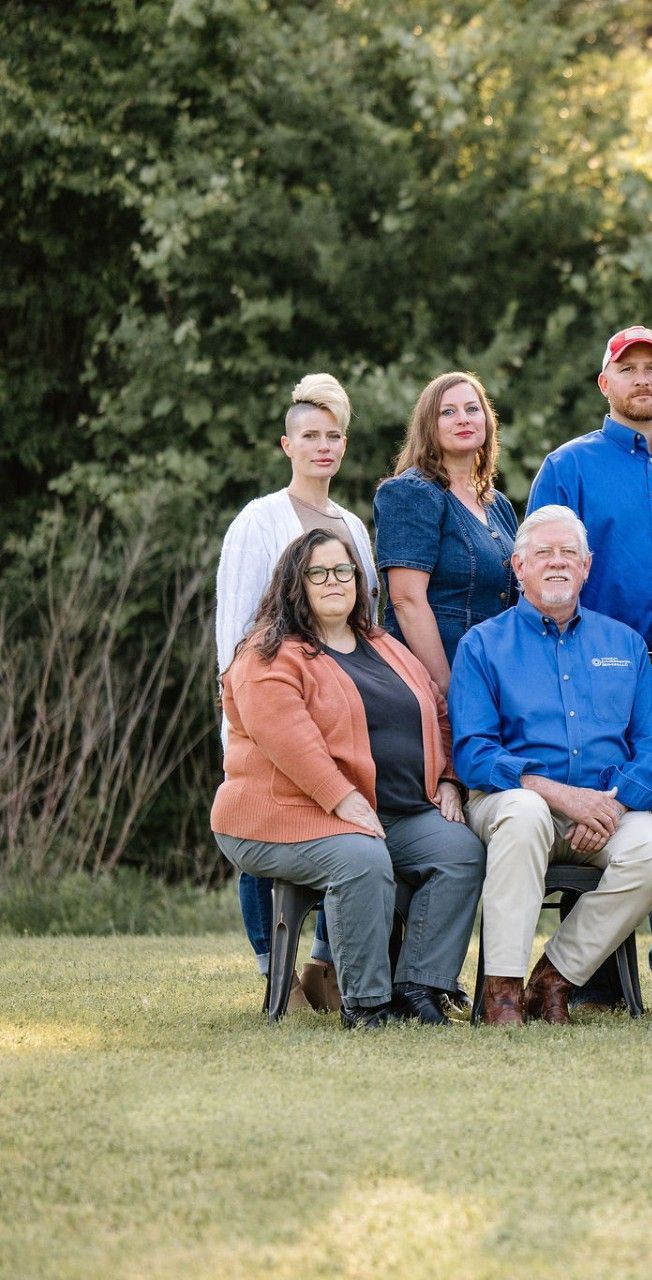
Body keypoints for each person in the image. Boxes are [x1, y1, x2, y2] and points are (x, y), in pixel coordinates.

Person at [526, 325, 652, 1014]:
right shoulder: (568, 468)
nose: (642, 379)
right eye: (629, 369)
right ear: (605, 383)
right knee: (601, 824)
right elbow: (542, 577)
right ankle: (591, 985)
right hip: (602, 678)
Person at [212, 528, 484, 1029]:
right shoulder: (269, 654)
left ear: (359, 580)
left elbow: (438, 711)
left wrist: (448, 778)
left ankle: (418, 987)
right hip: (282, 814)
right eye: (318, 572)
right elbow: (291, 740)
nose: (333, 581)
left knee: (460, 852)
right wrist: (342, 800)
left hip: (389, 811)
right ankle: (367, 1003)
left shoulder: (385, 646)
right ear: (296, 584)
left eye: (343, 570)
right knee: (360, 859)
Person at [450, 505, 652, 1026]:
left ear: (586, 566)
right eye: (543, 553)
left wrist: (610, 805)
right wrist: (558, 795)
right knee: (528, 812)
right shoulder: (483, 645)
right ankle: (502, 995)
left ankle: (552, 979)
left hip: (603, 808)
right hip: (511, 805)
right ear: (518, 567)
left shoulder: (623, 643)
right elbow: (474, 753)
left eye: (568, 554)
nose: (557, 563)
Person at [214, 373, 376, 1011]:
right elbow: (236, 628)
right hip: (269, 705)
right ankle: (269, 964)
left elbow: (363, 624)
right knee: (265, 813)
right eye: (310, 436)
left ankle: (325, 965)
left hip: (338, 706)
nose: (323, 447)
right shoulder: (260, 520)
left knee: (356, 809)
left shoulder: (351, 529)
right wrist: (240, 717)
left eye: (333, 436)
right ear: (287, 444)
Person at [374, 370, 519, 693]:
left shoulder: (499, 506)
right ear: (430, 425)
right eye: (448, 412)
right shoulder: (411, 493)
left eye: (472, 409)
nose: (463, 419)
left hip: (495, 676)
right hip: (435, 680)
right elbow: (407, 600)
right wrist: (444, 687)